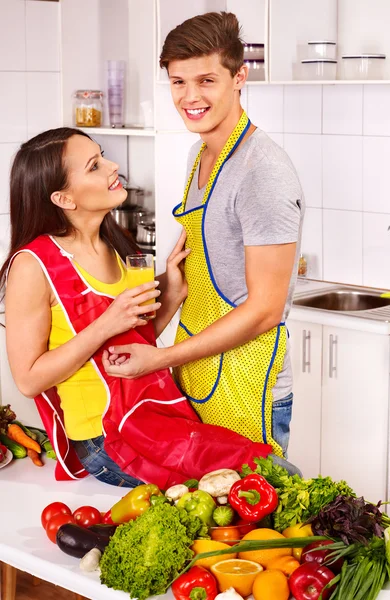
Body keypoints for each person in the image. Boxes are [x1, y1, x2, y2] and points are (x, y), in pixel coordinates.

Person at [1, 127, 272, 488]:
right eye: (95, 165)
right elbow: (29, 379)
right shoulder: (34, 265)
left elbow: (134, 339)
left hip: (152, 419)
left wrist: (172, 293)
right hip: (104, 439)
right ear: (64, 199)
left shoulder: (115, 243)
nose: (113, 166)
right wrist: (105, 323)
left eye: (103, 155)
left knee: (266, 467)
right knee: (245, 481)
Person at [104, 12, 305, 464]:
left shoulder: (262, 172)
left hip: (249, 384)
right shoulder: (201, 154)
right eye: (178, 82)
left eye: (206, 80)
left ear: (239, 77)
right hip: (198, 374)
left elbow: (265, 309)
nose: (190, 98)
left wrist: (158, 357)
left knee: (248, 529)